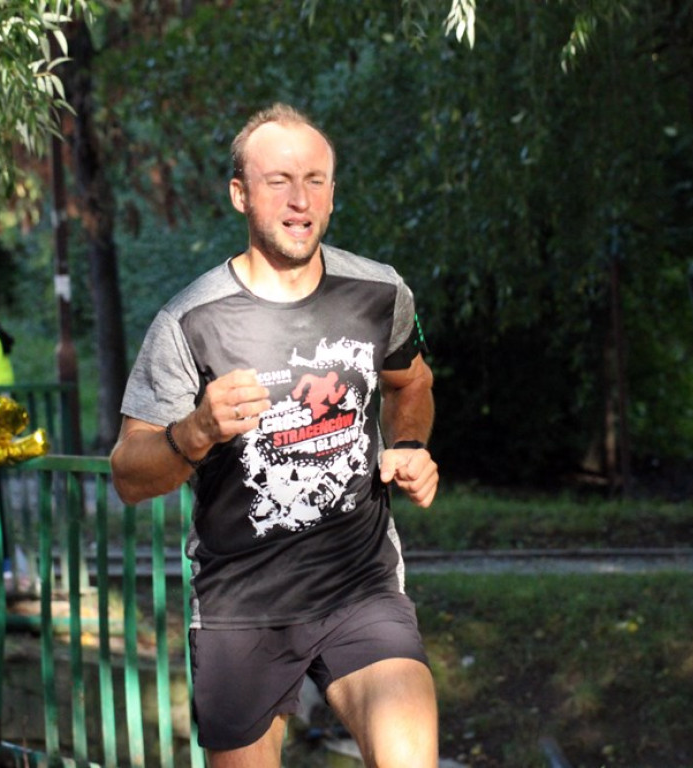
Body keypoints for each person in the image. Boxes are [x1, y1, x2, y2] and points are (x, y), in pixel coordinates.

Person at [110, 103, 439, 768]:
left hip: (360, 586)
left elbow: (413, 383)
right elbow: (127, 474)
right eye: (279, 180)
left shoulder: (378, 293)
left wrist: (406, 447)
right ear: (240, 193)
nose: (299, 200)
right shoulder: (189, 321)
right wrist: (194, 430)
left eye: (316, 180)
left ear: (334, 193)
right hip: (242, 607)